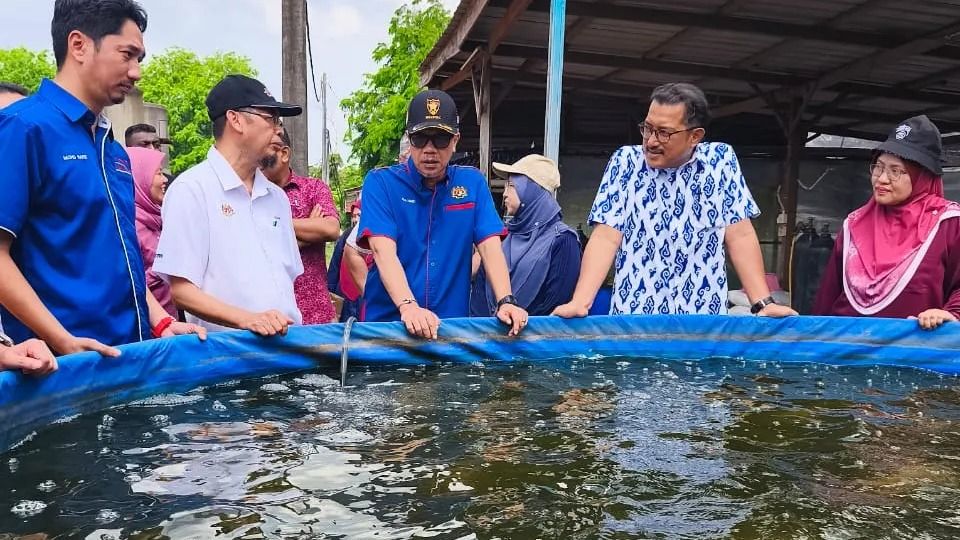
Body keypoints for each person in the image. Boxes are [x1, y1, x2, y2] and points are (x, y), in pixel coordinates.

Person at [0, 0, 204, 356]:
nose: (136, 71)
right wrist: (62, 341)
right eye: (127, 54)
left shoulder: (113, 149)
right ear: (78, 45)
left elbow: (120, 258)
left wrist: (160, 321)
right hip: (61, 372)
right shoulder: (23, 127)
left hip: (129, 361)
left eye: (139, 58)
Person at [554, 83, 796, 318]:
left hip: (701, 320)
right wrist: (580, 302)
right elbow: (606, 237)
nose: (650, 141)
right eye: (647, 128)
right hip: (636, 316)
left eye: (664, 132)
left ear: (695, 136)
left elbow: (739, 235)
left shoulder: (719, 162)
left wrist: (763, 303)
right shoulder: (625, 163)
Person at [357, 89, 528, 338]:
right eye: (420, 139)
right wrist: (408, 307)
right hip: (389, 329)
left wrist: (506, 300)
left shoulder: (472, 183)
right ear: (408, 138)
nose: (429, 149)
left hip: (449, 331)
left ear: (455, 140)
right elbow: (383, 251)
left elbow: (490, 247)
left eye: (440, 139)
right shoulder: (381, 183)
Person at [154, 74, 304, 336]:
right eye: (271, 119)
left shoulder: (277, 197)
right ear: (235, 119)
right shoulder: (192, 190)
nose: (278, 130)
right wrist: (248, 320)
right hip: (228, 359)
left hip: (287, 350)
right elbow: (182, 291)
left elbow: (287, 282)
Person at [813, 115, 960, 330]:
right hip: (848, 352)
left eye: (896, 171)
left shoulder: (948, 223)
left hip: (913, 354)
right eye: (878, 167)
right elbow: (828, 297)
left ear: (922, 176)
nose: (881, 178)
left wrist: (950, 313)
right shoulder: (854, 224)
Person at [470, 154, 581, 316]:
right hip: (488, 337)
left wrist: (517, 327)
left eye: (511, 186)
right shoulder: (501, 238)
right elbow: (479, 298)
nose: (504, 194)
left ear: (531, 190)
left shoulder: (563, 240)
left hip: (535, 338)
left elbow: (556, 304)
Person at [260, 126, 341, 324]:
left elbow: (331, 229)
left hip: (316, 314)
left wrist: (274, 224)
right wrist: (308, 231)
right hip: (270, 319)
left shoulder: (313, 188)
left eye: (265, 148)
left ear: (284, 153)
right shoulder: (250, 195)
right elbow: (258, 253)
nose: (258, 154)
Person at [128, 146, 175, 317]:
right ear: (140, 178)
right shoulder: (132, 225)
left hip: (170, 321)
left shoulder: (156, 217)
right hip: (150, 328)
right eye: (158, 173)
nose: (164, 180)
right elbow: (129, 282)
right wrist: (168, 264)